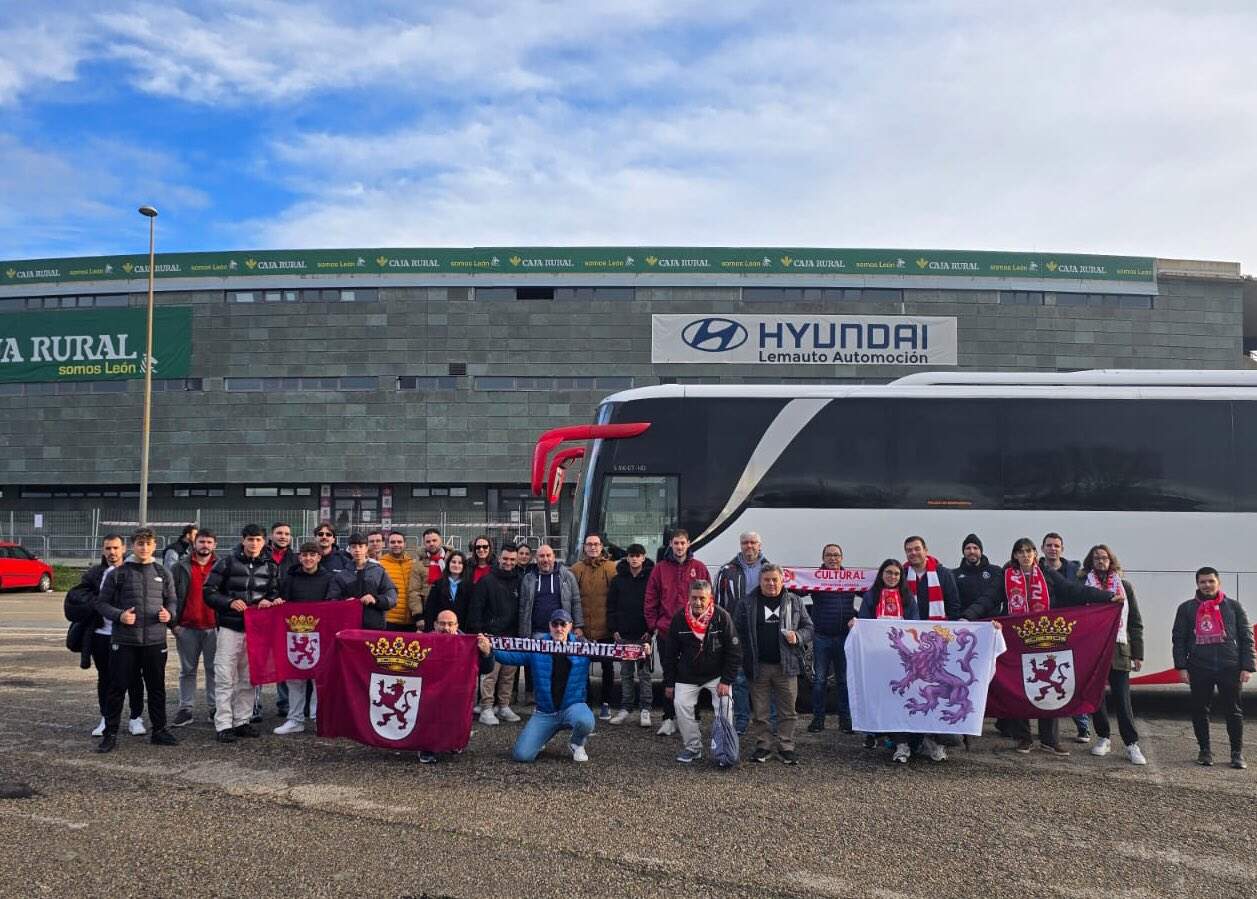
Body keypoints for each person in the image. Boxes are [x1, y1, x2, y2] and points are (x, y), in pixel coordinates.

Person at [967, 537, 1114, 755]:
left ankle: (1049, 739)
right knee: (1017, 688)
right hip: (1017, 641)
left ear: (1035, 553)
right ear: (1015, 555)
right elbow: (987, 600)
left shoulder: (1047, 574)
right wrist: (967, 618)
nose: (1025, 555)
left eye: (1029, 551)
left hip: (1046, 640)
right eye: (1021, 552)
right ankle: (1023, 738)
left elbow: (1074, 591)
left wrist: (1108, 597)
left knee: (1050, 690)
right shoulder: (1005, 577)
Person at [92, 528, 179, 753]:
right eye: (140, 543)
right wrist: (120, 615)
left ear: (154, 545)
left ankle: (159, 730)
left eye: (148, 543)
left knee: (156, 687)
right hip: (125, 641)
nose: (144, 548)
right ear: (132, 546)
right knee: (117, 687)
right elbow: (101, 604)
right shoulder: (118, 573)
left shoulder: (162, 571)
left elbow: (172, 601)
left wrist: (169, 614)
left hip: (155, 640)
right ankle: (110, 733)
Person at [204, 524, 282, 743]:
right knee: (225, 677)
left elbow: (274, 592)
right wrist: (229, 602)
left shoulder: (271, 566)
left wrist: (271, 600)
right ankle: (223, 724)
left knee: (249, 678)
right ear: (243, 540)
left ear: (264, 541)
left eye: (258, 539)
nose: (254, 544)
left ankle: (242, 721)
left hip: (256, 631)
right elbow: (209, 592)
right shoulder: (226, 563)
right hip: (230, 628)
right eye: (250, 539)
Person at [1172, 566, 1255, 769]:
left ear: (1218, 582)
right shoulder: (1186, 609)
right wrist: (1182, 667)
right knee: (1200, 710)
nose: (1207, 585)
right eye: (1203, 582)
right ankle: (1205, 750)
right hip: (1199, 667)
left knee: (1233, 711)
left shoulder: (1234, 607)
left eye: (1211, 581)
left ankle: (1236, 753)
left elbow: (1246, 637)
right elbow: (1179, 639)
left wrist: (1247, 666)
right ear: (1197, 584)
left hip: (1230, 667)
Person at [734, 564, 813, 764]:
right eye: (766, 580)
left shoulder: (794, 601)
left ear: (782, 580)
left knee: (788, 710)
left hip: (786, 666)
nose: (771, 583)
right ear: (760, 581)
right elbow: (737, 631)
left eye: (774, 580)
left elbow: (809, 628)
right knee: (761, 711)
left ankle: (786, 746)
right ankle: (764, 745)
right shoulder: (747, 603)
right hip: (758, 666)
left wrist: (798, 636)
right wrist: (743, 656)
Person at [493, 609, 595, 763]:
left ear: (570, 626)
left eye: (563, 624)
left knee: (586, 721)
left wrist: (641, 651)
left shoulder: (582, 647)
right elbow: (511, 656)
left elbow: (613, 654)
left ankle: (576, 743)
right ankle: (542, 737)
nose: (559, 628)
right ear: (549, 626)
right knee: (522, 756)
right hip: (545, 712)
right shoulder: (537, 647)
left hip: (572, 706)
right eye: (555, 624)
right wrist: (489, 650)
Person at [66, 534, 143, 737]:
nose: (112, 552)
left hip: (129, 636)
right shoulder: (95, 574)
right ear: (103, 550)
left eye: (116, 548)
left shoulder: (134, 571)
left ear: (124, 549)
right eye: (108, 548)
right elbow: (76, 595)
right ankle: (105, 717)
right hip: (102, 634)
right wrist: (97, 602)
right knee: (106, 678)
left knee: (134, 678)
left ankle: (136, 718)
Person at [1080, 545, 1147, 765]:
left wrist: (1137, 654)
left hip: (1119, 649)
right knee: (1097, 697)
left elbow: (1135, 622)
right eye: (1097, 558)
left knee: (1122, 698)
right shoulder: (1083, 586)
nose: (1101, 561)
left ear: (1111, 561)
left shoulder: (1124, 586)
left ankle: (1131, 743)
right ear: (1091, 562)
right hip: (1093, 648)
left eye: (1104, 557)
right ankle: (1103, 737)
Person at [663, 580, 740, 764]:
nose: (698, 603)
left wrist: (727, 681)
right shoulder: (679, 618)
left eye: (702, 598)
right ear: (688, 598)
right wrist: (669, 683)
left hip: (717, 675)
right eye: (694, 598)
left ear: (710, 598)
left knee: (725, 706)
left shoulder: (722, 617)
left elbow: (734, 651)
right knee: (681, 705)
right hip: (687, 675)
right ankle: (692, 747)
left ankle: (724, 749)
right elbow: (670, 654)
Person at [644, 529, 711, 736]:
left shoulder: (699, 568)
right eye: (676, 543)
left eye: (683, 543)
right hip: (667, 632)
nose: (679, 547)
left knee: (693, 675)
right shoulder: (660, 569)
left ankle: (693, 718)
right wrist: (653, 624)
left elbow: (709, 599)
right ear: (670, 545)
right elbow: (650, 598)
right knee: (669, 675)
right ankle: (668, 718)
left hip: (694, 631)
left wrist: (704, 624)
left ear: (689, 543)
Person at [854, 559, 919, 762]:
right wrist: (856, 625)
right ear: (882, 574)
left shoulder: (908, 598)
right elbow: (864, 621)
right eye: (888, 573)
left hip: (901, 658)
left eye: (896, 574)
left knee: (900, 697)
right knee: (879, 695)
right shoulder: (871, 596)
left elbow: (915, 625)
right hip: (878, 656)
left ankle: (903, 740)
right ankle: (875, 732)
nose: (892, 577)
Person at [271, 542, 336, 736]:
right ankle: (295, 719)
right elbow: (283, 602)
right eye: (305, 555)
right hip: (294, 636)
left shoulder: (329, 578)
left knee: (319, 679)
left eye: (312, 555)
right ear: (300, 558)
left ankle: (318, 719)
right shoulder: (290, 579)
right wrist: (278, 602)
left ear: (319, 557)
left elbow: (333, 602)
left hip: (319, 636)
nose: (308, 558)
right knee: (294, 679)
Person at [418, 609, 496, 763]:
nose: (446, 628)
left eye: (450, 624)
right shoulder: (426, 640)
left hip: (458, 690)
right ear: (435, 625)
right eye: (442, 624)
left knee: (458, 715)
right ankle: (426, 747)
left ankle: (454, 742)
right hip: (431, 690)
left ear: (457, 625)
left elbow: (486, 669)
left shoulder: (468, 643)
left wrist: (487, 653)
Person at [716, 531, 769, 734]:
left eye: (753, 542)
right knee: (738, 679)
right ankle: (741, 720)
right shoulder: (727, 570)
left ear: (760, 545)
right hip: (736, 630)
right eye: (745, 542)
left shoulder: (769, 568)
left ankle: (767, 721)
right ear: (740, 545)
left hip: (763, 630)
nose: (749, 546)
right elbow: (718, 601)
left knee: (764, 678)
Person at [1040, 532, 1089, 743]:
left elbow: (1082, 593)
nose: (1053, 549)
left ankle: (1083, 726)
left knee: (1072, 677)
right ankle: (1046, 733)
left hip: (1069, 630)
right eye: (1049, 545)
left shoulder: (1075, 572)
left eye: (1056, 545)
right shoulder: (1037, 568)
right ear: (1042, 549)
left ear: (1062, 548)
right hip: (1044, 630)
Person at [170, 529, 219, 728]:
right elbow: (170, 596)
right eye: (201, 542)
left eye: (208, 542)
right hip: (187, 627)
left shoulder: (221, 566)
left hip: (214, 627)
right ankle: (186, 708)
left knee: (213, 670)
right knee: (187, 670)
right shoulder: (179, 567)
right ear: (194, 543)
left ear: (214, 545)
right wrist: (173, 624)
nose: (205, 545)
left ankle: (214, 707)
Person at [470, 545, 524, 725]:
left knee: (508, 674)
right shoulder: (486, 581)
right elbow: (476, 609)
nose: (508, 562)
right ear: (499, 558)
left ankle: (504, 706)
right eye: (505, 559)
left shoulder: (520, 580)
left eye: (512, 560)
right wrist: (480, 632)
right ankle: (486, 708)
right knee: (490, 674)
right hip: (491, 636)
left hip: (512, 636)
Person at [807, 543, 856, 734]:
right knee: (819, 681)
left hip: (845, 637)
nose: (833, 558)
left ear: (842, 558)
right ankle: (818, 720)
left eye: (836, 555)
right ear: (823, 558)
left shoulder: (852, 579)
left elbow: (870, 594)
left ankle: (845, 721)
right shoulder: (815, 579)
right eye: (829, 555)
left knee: (844, 681)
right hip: (821, 637)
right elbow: (798, 590)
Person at [571, 532, 620, 720]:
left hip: (605, 628)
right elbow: (571, 599)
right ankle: (587, 702)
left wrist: (614, 626)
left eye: (596, 544)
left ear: (601, 547)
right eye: (589, 544)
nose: (593, 547)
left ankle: (606, 703)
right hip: (582, 628)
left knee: (607, 667)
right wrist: (576, 625)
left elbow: (616, 599)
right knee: (582, 668)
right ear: (584, 547)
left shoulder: (611, 568)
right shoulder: (576, 569)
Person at [607, 544, 655, 727]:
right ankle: (626, 708)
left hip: (643, 636)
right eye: (631, 555)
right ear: (627, 558)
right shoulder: (618, 580)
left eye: (638, 555)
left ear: (643, 558)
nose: (634, 559)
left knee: (644, 674)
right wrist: (614, 629)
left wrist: (650, 631)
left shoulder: (651, 579)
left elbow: (653, 606)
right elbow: (611, 607)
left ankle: (645, 710)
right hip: (623, 635)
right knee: (625, 673)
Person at [328, 532, 398, 629]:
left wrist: (375, 599)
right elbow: (331, 601)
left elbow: (392, 598)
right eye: (353, 547)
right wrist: (344, 603)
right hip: (349, 627)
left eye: (361, 546)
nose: (357, 550)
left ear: (366, 548)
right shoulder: (341, 575)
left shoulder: (378, 571)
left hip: (375, 627)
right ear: (349, 549)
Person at [519, 544, 583, 637]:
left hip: (562, 633)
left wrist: (578, 626)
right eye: (541, 556)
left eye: (548, 555)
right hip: (537, 633)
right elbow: (523, 608)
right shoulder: (528, 579)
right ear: (536, 559)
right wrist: (523, 633)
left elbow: (576, 602)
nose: (545, 559)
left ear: (554, 557)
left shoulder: (567, 576)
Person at [952, 534, 1000, 621]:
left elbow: (994, 597)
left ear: (981, 551)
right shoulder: (954, 575)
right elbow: (953, 604)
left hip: (991, 624)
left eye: (975, 548)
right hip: (965, 623)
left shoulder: (995, 571)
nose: (972, 551)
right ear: (963, 552)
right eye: (968, 548)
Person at [379, 530, 417, 632]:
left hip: (411, 621)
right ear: (387, 544)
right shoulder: (380, 565)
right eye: (393, 542)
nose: (396, 544)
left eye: (399, 542)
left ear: (405, 544)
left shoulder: (413, 564)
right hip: (389, 620)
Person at [423, 551, 469, 634]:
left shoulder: (470, 586)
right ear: (448, 564)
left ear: (464, 566)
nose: (456, 565)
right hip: (440, 630)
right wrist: (429, 629)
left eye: (460, 563)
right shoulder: (438, 583)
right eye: (453, 562)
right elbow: (430, 608)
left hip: (461, 631)